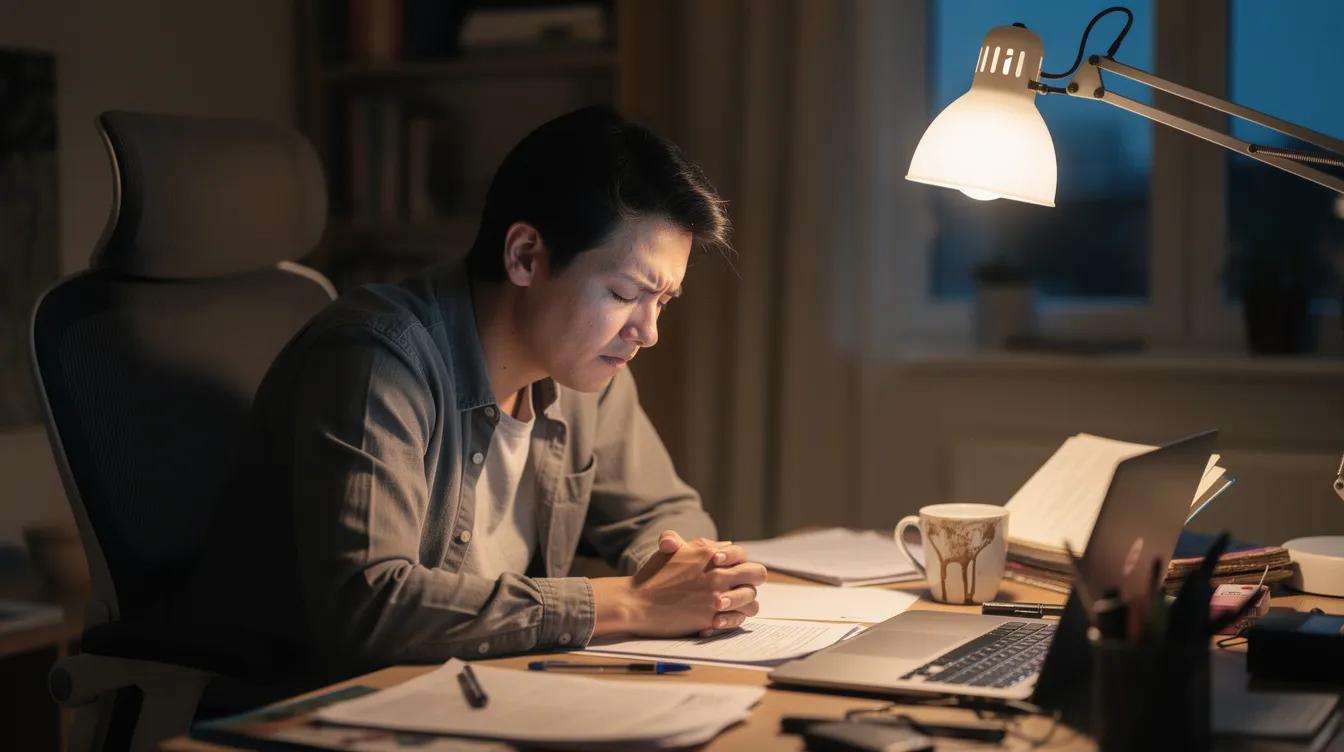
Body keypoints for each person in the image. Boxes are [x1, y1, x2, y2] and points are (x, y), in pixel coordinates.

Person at [185, 105, 765, 688]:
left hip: (490, 688)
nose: (647, 331)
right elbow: (368, 603)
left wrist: (683, 571)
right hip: (326, 704)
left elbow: (661, 511)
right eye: (623, 293)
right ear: (524, 256)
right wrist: (633, 603)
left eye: (663, 302)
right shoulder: (375, 358)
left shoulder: (587, 367)